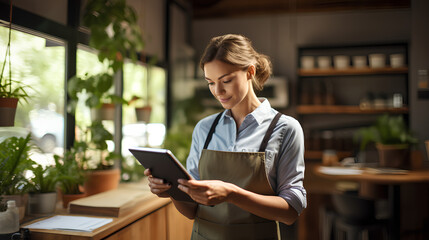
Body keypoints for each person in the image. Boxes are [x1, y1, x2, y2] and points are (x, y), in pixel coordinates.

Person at [144, 34, 306, 240]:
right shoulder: (204, 128)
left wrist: (233, 194)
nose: (218, 91)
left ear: (250, 72)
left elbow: (290, 212)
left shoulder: (285, 129)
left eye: (226, 80)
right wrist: (171, 193)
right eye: (210, 83)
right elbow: (192, 210)